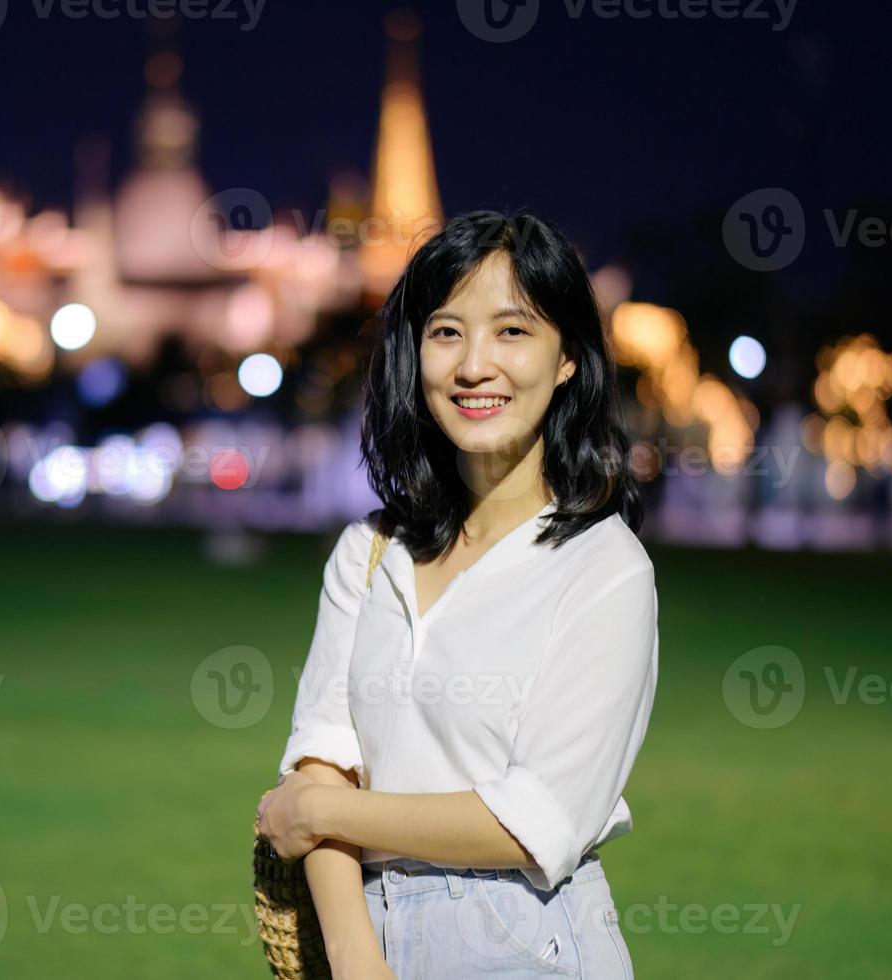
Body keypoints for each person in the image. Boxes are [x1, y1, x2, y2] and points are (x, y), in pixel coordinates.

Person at [257, 210, 658, 979]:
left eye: (513, 331)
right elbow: (319, 761)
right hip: (365, 937)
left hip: (529, 943)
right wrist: (355, 961)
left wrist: (325, 814)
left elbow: (536, 824)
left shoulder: (604, 569)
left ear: (568, 357)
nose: (476, 366)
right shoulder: (368, 554)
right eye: (446, 332)